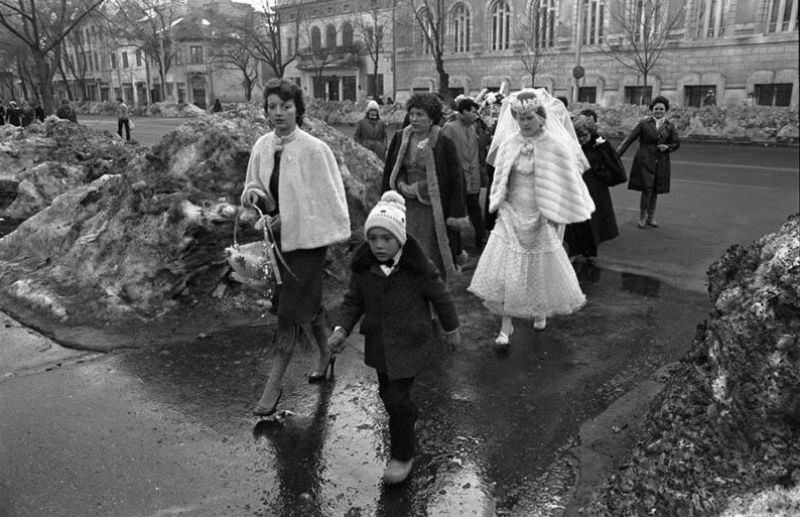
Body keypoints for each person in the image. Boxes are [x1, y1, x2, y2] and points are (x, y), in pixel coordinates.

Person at [327, 191, 461, 485]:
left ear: (399, 238)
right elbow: (352, 302)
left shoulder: (419, 268)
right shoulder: (363, 268)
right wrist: (341, 329)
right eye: (373, 238)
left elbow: (441, 297)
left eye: (385, 239)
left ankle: (402, 455)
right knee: (387, 394)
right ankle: (405, 416)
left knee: (397, 399)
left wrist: (451, 329)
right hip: (379, 346)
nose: (378, 245)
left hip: (410, 344)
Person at [241, 78, 351, 417]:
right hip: (275, 245)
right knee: (305, 305)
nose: (278, 113)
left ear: (298, 110)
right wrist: (255, 198)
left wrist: (287, 220)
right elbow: (254, 185)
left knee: (288, 314)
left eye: (286, 107)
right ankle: (325, 353)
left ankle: (273, 386)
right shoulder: (262, 145)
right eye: (272, 107)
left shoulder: (314, 150)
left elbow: (325, 202)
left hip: (306, 246)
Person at [468, 89, 594, 347]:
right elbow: (500, 177)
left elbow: (564, 183)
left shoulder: (555, 145)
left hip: (540, 214)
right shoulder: (510, 143)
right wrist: (500, 202)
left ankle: (539, 310)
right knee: (507, 272)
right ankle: (506, 325)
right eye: (520, 118)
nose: (524, 124)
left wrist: (556, 213)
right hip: (512, 213)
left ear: (541, 117)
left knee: (538, 268)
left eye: (529, 118)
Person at [382, 93, 468, 281]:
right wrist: (401, 184)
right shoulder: (399, 138)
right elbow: (391, 169)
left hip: (431, 208)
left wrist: (420, 189)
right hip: (404, 206)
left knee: (428, 250)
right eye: (412, 114)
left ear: (431, 118)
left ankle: (431, 288)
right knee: (403, 246)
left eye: (420, 114)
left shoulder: (444, 143)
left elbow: (454, 179)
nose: (414, 119)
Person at [564, 111, 625, 262]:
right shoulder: (572, 145)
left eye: (584, 135)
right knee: (576, 222)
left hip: (595, 188)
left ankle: (589, 251)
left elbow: (613, 165)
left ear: (591, 133)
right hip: (576, 187)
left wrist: (600, 172)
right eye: (578, 136)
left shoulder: (600, 144)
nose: (581, 139)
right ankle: (575, 250)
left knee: (593, 222)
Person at [616, 95, 680, 229]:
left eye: (661, 109)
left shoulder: (669, 126)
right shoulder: (644, 124)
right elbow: (629, 139)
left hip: (661, 161)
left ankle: (651, 217)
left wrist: (667, 147)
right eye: (656, 109)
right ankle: (642, 217)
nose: (658, 111)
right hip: (645, 159)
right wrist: (616, 155)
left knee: (655, 189)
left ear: (665, 110)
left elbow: (676, 142)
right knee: (647, 189)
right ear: (652, 109)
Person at [441, 96, 488, 251]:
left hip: (472, 176)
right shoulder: (450, 128)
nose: (476, 115)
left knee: (474, 208)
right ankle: (456, 246)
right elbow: (444, 153)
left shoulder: (472, 127)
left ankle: (480, 239)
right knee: (457, 211)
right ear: (463, 112)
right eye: (473, 112)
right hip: (457, 178)